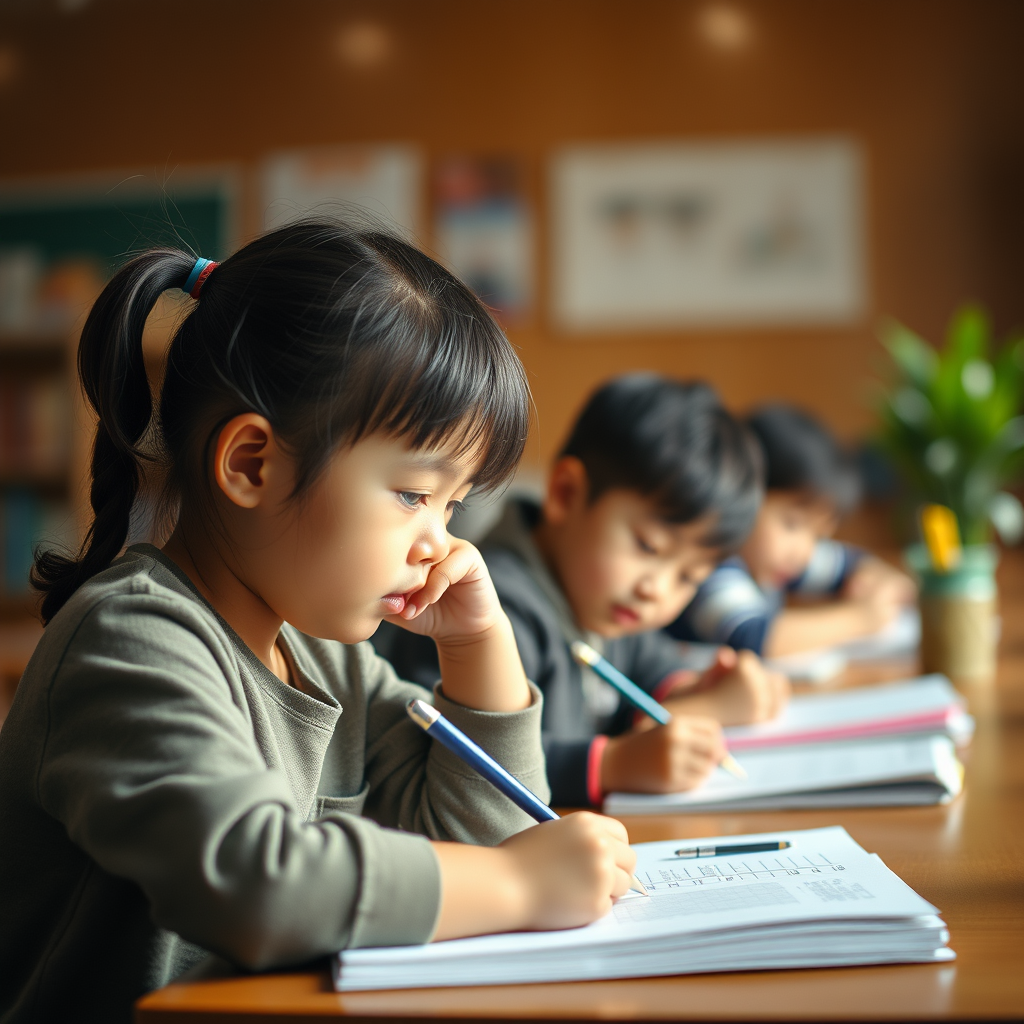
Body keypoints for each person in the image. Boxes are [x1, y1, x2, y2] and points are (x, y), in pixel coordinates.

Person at [0, 221, 636, 1024]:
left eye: (453, 506)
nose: (442, 541)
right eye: (413, 494)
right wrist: (520, 887)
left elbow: (481, 835)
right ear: (253, 465)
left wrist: (480, 645)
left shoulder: (321, 658)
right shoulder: (131, 644)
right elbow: (260, 888)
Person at [380, 375, 790, 809]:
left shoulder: (602, 600)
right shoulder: (481, 607)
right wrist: (610, 764)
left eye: (689, 577)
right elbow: (455, 752)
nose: (657, 589)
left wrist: (693, 691)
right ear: (566, 493)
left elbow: (650, 663)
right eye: (648, 547)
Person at [666, 403, 915, 656]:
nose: (804, 551)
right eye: (792, 524)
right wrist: (859, 618)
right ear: (742, 496)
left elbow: (853, 564)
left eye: (817, 535)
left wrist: (874, 580)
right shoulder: (710, 565)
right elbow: (751, 637)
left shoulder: (779, 560)